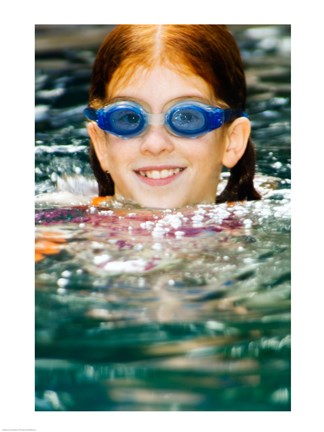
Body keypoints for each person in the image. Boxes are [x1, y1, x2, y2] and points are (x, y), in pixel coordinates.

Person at [84, 25, 261, 209]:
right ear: (101, 144)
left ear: (232, 141)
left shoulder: (260, 230)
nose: (155, 145)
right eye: (130, 118)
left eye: (186, 118)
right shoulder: (63, 229)